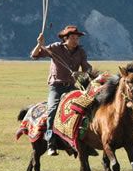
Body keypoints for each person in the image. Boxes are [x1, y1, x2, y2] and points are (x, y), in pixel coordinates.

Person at [30, 25, 95, 156]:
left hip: (72, 87)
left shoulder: (80, 52)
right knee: (53, 109)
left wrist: (84, 73)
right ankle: (51, 142)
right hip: (57, 87)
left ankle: (83, 142)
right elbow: (34, 55)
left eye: (77, 37)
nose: (76, 40)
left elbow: (86, 67)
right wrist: (39, 44)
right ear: (66, 38)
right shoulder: (55, 48)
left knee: (86, 109)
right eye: (73, 37)